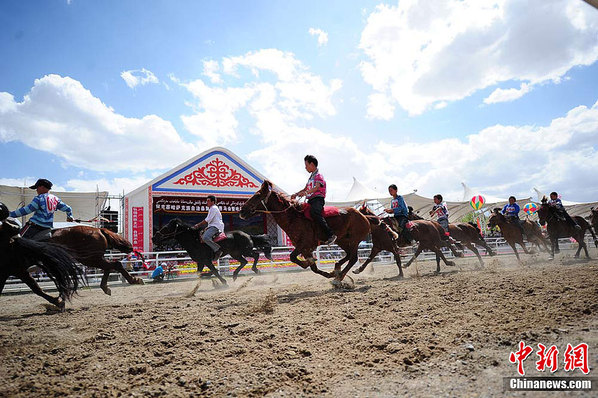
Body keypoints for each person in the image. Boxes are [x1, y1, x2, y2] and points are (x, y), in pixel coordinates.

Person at [291, 155, 337, 245]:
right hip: (311, 200)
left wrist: (305, 193)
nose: (305, 168)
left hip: (318, 200)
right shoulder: (311, 177)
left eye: (306, 165)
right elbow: (305, 189)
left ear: (312, 164)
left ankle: (330, 234)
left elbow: (316, 187)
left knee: (314, 213)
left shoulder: (319, 175)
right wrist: (296, 194)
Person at [9, 179, 74, 241]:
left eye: (37, 188)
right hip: (47, 228)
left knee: (17, 241)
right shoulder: (56, 199)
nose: (36, 190)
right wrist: (69, 216)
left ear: (42, 187)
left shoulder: (39, 198)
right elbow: (68, 209)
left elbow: (26, 210)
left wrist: (9, 214)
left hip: (33, 227)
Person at [194, 195, 225, 261]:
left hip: (216, 227)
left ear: (213, 202)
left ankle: (217, 250)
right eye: (206, 201)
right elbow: (210, 221)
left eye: (208, 201)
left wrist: (198, 225)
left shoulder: (213, 208)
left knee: (205, 238)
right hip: (212, 226)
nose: (206, 202)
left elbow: (207, 220)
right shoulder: (212, 208)